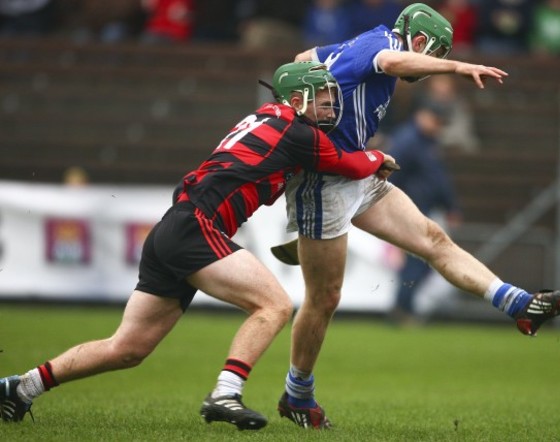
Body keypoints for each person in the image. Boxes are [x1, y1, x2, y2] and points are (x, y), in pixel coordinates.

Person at [0, 61, 398, 428]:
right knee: (273, 304)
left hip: (173, 229)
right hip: (196, 226)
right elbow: (352, 164)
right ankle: (226, 394)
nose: (331, 112)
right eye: (324, 104)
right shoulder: (298, 132)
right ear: (297, 102)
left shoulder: (269, 118)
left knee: (128, 348)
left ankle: (21, 387)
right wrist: (378, 155)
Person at [271, 3, 560, 429]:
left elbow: (302, 59)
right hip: (324, 183)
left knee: (434, 240)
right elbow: (392, 59)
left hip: (356, 173)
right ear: (420, 42)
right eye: (433, 53)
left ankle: (521, 306)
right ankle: (297, 395)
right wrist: (456, 67)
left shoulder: (360, 43)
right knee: (325, 298)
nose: (432, 64)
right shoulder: (383, 45)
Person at [386, 100, 462, 325]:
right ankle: (402, 310)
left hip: (425, 210)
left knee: (422, 262)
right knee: (418, 262)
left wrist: (450, 206)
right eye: (436, 120)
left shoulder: (427, 141)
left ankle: (402, 309)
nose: (438, 126)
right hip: (411, 210)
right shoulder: (408, 141)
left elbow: (438, 180)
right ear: (423, 115)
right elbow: (392, 176)